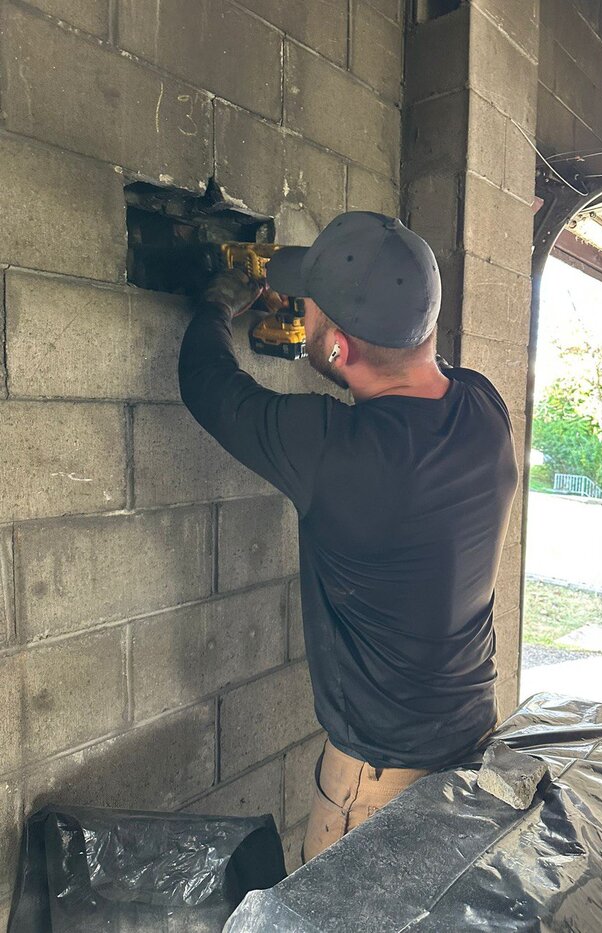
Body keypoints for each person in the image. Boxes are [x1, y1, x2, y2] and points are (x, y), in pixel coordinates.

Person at [179, 211, 518, 862]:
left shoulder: (332, 452)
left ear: (339, 345)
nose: (302, 315)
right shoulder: (483, 407)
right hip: (471, 742)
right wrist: (333, 343)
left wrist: (220, 302)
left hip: (377, 783)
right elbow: (400, 372)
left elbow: (210, 386)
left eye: (311, 312)